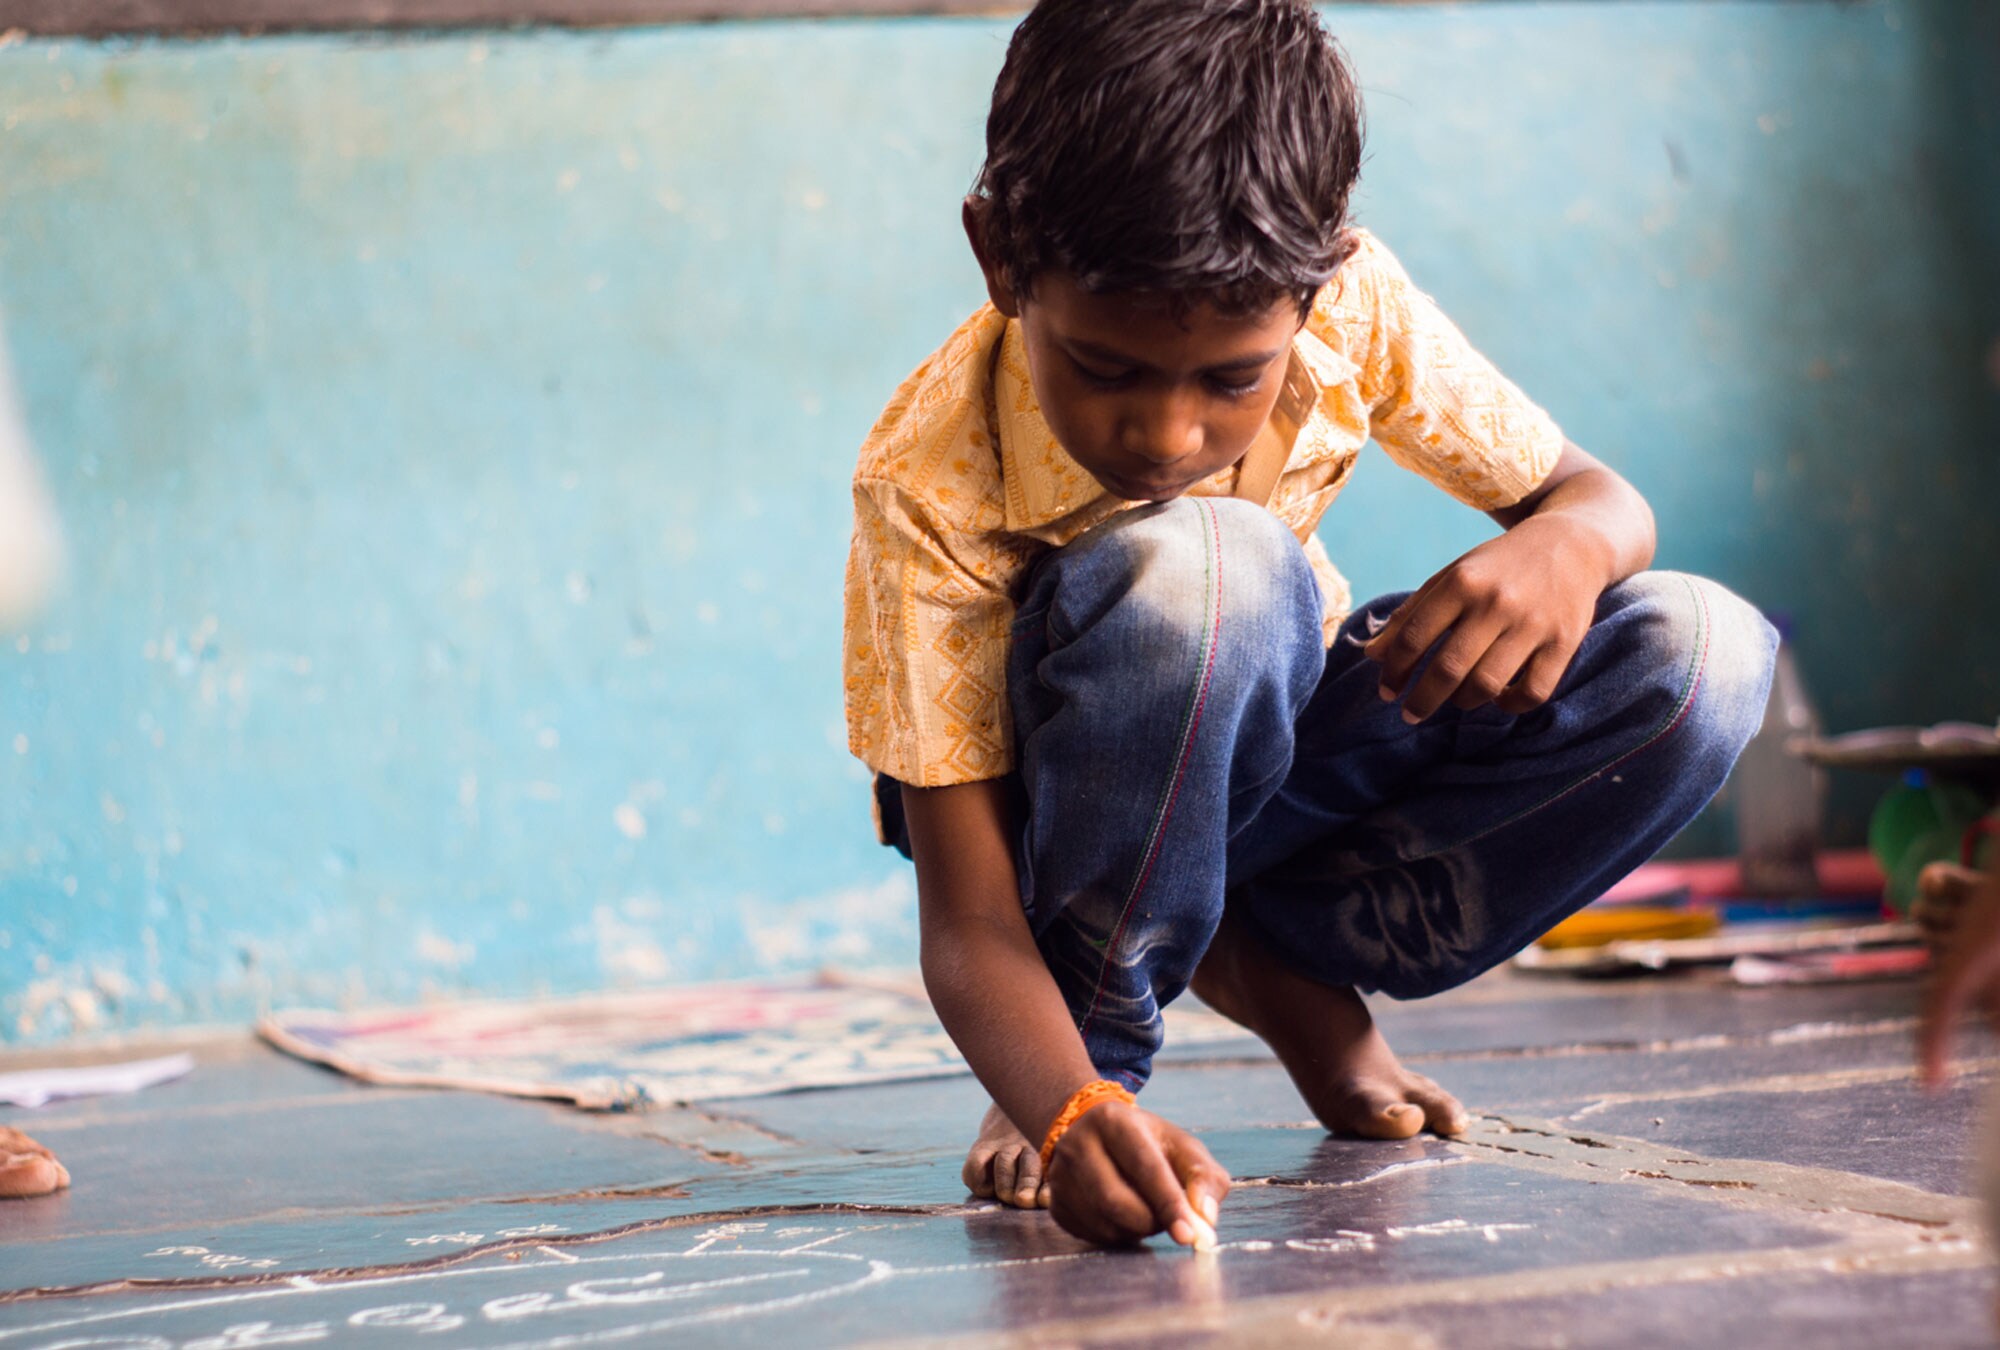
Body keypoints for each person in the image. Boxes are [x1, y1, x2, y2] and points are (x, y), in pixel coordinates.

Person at [841, 0, 1776, 1248]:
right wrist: (1062, 1098)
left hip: (1276, 765)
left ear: (1320, 278)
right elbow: (963, 922)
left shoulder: (1349, 303)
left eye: (1233, 377)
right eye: (1106, 368)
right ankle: (1090, 1028)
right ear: (999, 255)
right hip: (1044, 836)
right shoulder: (926, 481)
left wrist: (1563, 545)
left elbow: (1599, 499)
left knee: (1701, 654)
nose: (1167, 435)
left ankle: (1278, 958)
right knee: (1210, 565)